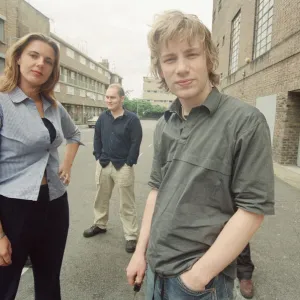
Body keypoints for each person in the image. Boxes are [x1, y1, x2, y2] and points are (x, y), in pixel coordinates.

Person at [126, 10, 275, 300]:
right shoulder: (165, 124)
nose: (181, 68)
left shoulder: (245, 121)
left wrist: (196, 278)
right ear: (160, 69)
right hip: (154, 272)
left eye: (191, 55)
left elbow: (252, 210)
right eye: (170, 59)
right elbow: (156, 192)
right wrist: (140, 253)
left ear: (208, 58)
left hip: (198, 284)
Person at [0, 33, 82, 300]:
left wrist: (66, 165)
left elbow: (75, 135)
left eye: (48, 60)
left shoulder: (53, 106)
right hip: (14, 207)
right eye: (34, 55)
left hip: (55, 203)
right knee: (5, 283)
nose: (40, 64)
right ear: (18, 58)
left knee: (49, 280)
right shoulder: (2, 103)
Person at [83, 83, 142, 253]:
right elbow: (97, 138)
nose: (108, 100)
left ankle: (131, 235)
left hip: (123, 166)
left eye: (112, 97)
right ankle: (99, 224)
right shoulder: (103, 118)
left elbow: (135, 142)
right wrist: (98, 156)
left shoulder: (132, 119)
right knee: (100, 197)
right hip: (103, 164)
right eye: (107, 97)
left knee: (127, 202)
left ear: (122, 99)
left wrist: (129, 162)